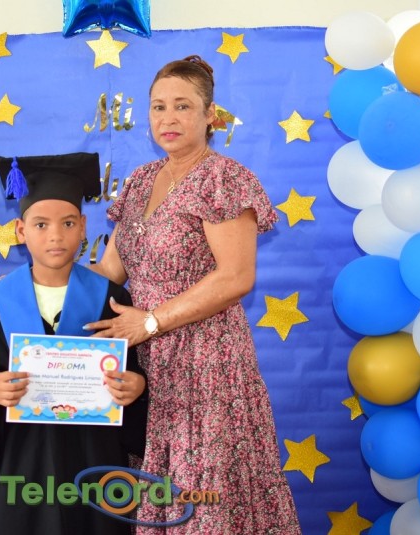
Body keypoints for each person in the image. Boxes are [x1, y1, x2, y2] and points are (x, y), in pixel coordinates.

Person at [85, 56, 301, 533]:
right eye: (158, 106)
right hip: (146, 362)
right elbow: (110, 271)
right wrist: (41, 286)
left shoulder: (224, 178)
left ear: (210, 116)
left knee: (206, 493)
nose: (168, 118)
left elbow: (236, 277)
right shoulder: (141, 180)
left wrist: (151, 321)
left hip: (207, 361)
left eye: (183, 106)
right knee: (158, 484)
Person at [0, 152, 148, 535]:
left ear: (83, 227)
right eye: (40, 224)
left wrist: (137, 388)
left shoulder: (113, 300)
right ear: (20, 230)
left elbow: (140, 371)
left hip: (93, 463)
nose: (55, 235)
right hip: (19, 468)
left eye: (68, 223)